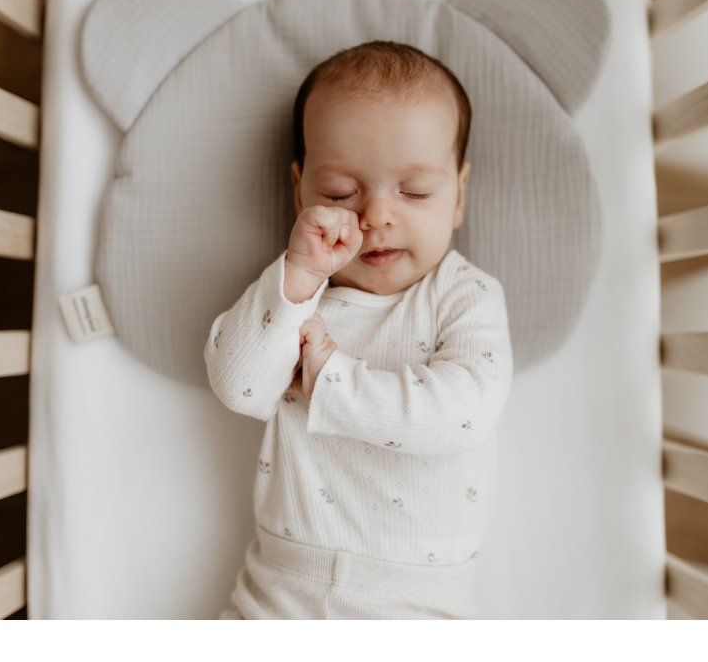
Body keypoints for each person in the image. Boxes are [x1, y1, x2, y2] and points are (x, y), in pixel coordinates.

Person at [205, 41, 512, 619]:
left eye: (414, 192)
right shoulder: (296, 296)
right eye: (340, 194)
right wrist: (296, 279)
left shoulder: (463, 295)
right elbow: (238, 386)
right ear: (299, 191)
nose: (377, 216)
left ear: (458, 195)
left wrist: (330, 380)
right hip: (279, 590)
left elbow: (466, 411)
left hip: (417, 602)